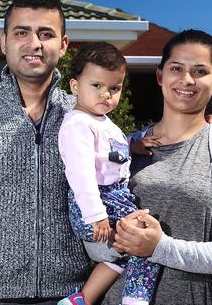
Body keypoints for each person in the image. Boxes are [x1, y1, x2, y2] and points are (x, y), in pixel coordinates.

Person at [0, 0, 212, 305]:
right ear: (4, 42)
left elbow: (130, 149)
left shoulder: (88, 115)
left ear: (63, 45)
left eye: (46, 33)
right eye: (22, 32)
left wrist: (208, 131)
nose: (34, 43)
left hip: (68, 293)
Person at [109, 29, 212, 305]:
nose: (187, 79)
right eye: (176, 68)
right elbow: (94, 233)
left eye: (200, 71)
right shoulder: (124, 147)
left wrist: (159, 247)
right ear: (160, 75)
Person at [57, 42, 160, 305]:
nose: (106, 95)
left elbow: (110, 150)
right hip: (98, 203)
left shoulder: (101, 121)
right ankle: (135, 301)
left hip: (113, 199)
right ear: (75, 86)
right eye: (97, 86)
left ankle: (81, 300)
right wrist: (96, 215)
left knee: (125, 253)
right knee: (145, 245)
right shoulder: (77, 124)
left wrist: (133, 144)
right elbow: (80, 174)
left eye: (114, 88)